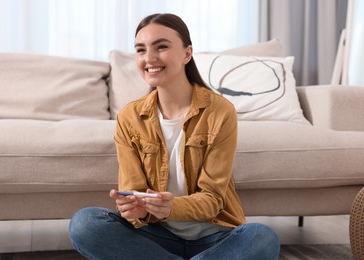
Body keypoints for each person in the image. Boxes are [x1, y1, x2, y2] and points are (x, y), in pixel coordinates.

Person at [69, 13, 280, 259]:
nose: (149, 58)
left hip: (215, 237)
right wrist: (133, 208)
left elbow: (213, 199)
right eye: (140, 50)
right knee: (84, 223)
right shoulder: (129, 118)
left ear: (187, 53)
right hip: (155, 236)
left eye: (161, 47)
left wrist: (172, 207)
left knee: (262, 238)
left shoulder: (220, 111)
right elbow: (133, 190)